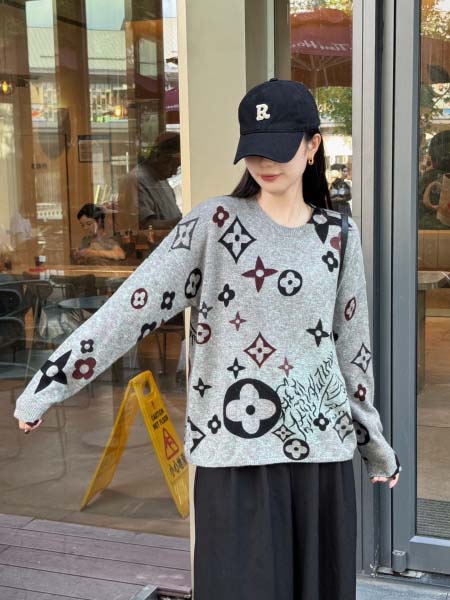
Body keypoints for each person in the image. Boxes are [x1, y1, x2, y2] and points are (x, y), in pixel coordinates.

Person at [14, 78, 401, 600]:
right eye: (254, 149)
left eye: (280, 147)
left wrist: (374, 444)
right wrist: (49, 383)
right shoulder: (213, 225)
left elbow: (353, 351)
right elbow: (130, 309)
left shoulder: (338, 236)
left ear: (312, 146)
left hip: (320, 457)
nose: (265, 162)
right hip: (232, 454)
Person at [118, 132, 182, 231]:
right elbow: (143, 225)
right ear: (160, 158)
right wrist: (178, 222)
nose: (174, 172)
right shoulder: (136, 180)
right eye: (173, 166)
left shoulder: (162, 180)